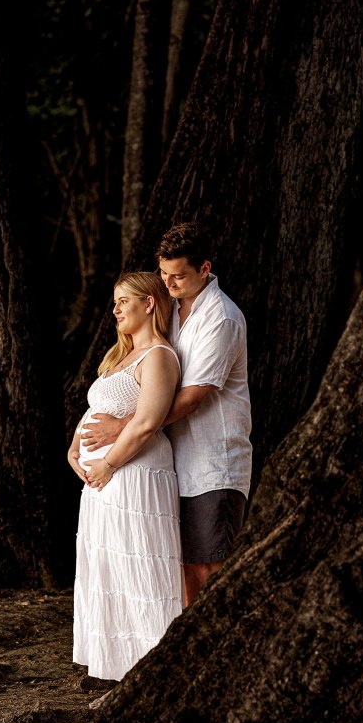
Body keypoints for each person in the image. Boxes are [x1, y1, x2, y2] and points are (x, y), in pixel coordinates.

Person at [80, 223, 252, 605]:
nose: (169, 283)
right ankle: (189, 651)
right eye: (163, 274)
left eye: (178, 275)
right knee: (184, 565)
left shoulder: (221, 318)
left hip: (214, 462)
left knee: (210, 565)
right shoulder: (171, 311)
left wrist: (125, 429)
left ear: (204, 268)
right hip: (175, 461)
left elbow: (192, 397)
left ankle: (217, 652)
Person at [68, 271, 183, 707]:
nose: (115, 310)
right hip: (104, 484)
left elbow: (149, 423)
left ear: (149, 304)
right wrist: (75, 448)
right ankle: (125, 682)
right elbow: (102, 409)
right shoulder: (121, 356)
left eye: (123, 301)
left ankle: (156, 681)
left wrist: (108, 465)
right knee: (112, 571)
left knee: (145, 574)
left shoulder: (158, 357)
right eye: (114, 303)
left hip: (135, 477)